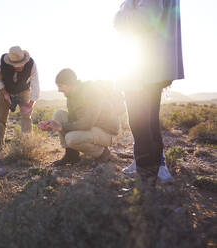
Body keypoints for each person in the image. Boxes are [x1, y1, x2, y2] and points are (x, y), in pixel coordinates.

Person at [114, 0, 184, 186]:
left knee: (140, 122)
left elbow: (145, 19)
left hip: (143, 66)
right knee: (149, 121)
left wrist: (121, 13)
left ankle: (146, 180)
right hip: (154, 64)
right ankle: (152, 171)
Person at [38, 69, 120, 166]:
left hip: (106, 132)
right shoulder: (71, 96)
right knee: (59, 114)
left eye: (60, 86)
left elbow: (87, 123)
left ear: (70, 84)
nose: (59, 90)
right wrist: (51, 126)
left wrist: (61, 126)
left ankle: (103, 153)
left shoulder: (91, 92)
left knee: (71, 138)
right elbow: (74, 121)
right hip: (92, 128)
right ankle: (71, 155)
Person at [0, 46, 40, 154]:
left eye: (21, 64)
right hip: (5, 89)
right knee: (1, 118)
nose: (20, 67)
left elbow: (35, 85)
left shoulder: (31, 64)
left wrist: (30, 105)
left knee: (26, 118)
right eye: (16, 65)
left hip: (24, 91)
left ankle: (27, 147)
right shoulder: (2, 62)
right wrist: (5, 94)